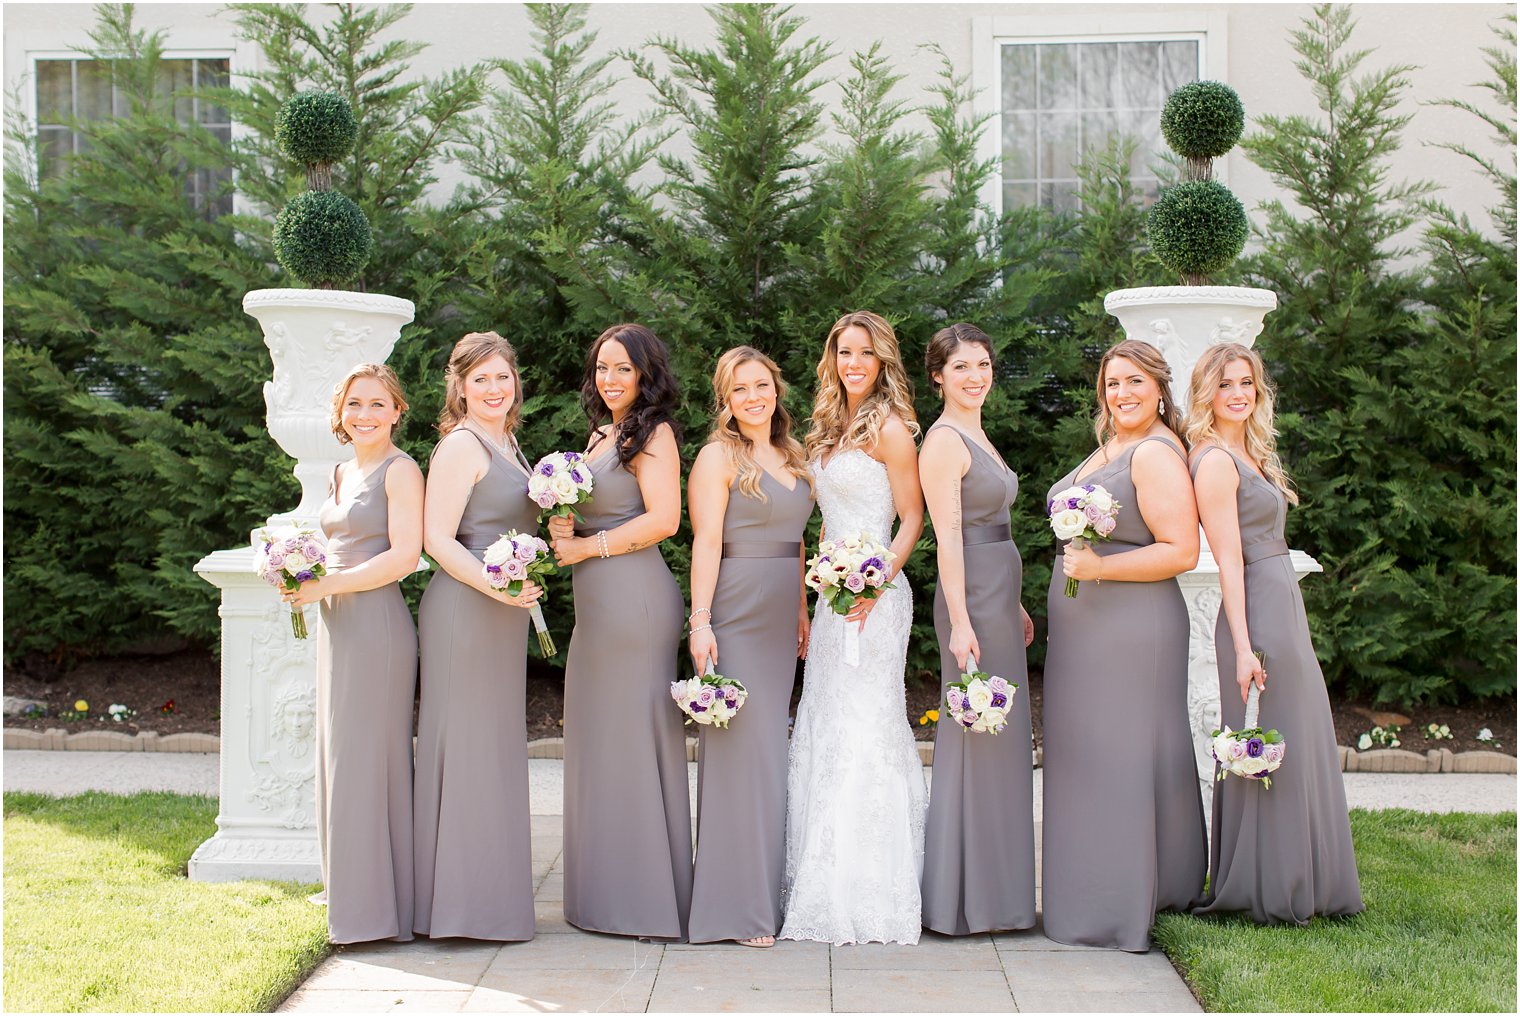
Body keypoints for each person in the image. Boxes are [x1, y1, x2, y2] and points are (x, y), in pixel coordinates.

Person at [1186, 342, 1364, 924]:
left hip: (1281, 598)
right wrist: (1241, 646)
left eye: (1247, 383)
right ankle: (1265, 883)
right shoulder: (1214, 461)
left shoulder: (1253, 453)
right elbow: (1228, 561)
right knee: (1267, 733)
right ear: (1205, 392)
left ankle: (1305, 874)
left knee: (1300, 732)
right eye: (1225, 384)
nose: (1238, 394)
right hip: (1256, 608)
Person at [1041, 338, 1207, 952]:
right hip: (1088, 631)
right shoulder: (1114, 445)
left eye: (1135, 381)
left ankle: (1119, 901)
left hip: (1132, 627)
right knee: (1091, 754)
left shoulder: (1157, 453)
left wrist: (1100, 571)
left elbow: (1182, 551)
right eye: (1113, 383)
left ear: (1160, 388)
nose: (1123, 393)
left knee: (1121, 755)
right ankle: (1111, 884)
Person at [779, 310, 927, 946]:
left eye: (865, 353)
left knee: (868, 724)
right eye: (844, 353)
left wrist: (877, 581)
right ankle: (818, 881)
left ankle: (875, 892)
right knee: (826, 722)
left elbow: (913, 519)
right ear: (832, 360)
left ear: (883, 360)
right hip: (830, 593)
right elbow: (819, 523)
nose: (854, 364)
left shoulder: (892, 430)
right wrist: (806, 601)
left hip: (876, 597)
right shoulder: (824, 428)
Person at [548, 323, 690, 940]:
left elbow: (665, 519)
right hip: (597, 602)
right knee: (599, 734)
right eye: (602, 368)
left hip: (634, 598)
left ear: (645, 374)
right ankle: (602, 893)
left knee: (632, 735)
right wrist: (561, 529)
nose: (610, 379)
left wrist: (588, 548)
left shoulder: (653, 434)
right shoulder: (602, 434)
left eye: (623, 369)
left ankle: (644, 900)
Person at [284, 363, 423, 944]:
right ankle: (348, 885)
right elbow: (337, 543)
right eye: (354, 405)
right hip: (336, 622)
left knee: (369, 760)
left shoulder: (402, 470)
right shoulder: (341, 471)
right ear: (341, 413)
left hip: (375, 627)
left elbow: (403, 557)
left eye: (377, 404)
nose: (365, 415)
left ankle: (375, 908)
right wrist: (298, 568)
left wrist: (325, 586)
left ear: (397, 411)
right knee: (338, 754)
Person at [685, 346, 815, 948]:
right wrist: (701, 621)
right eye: (740, 390)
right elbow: (706, 541)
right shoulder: (717, 456)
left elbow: (797, 545)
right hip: (734, 609)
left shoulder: (794, 454)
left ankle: (767, 894)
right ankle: (736, 909)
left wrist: (801, 609)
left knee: (769, 755)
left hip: (778, 617)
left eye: (761, 385)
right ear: (726, 400)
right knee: (739, 753)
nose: (753, 397)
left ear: (776, 390)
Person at [413, 331, 541, 941]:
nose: (494, 388)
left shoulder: (509, 442)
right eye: (480, 379)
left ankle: (490, 900)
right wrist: (496, 586)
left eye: (503, 376)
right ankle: (459, 908)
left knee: (490, 748)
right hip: (466, 609)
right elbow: (437, 540)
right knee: (465, 748)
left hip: (502, 610)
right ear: (459, 387)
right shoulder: (461, 446)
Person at [917, 324, 1037, 937]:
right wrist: (962, 621)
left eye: (984, 365)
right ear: (938, 375)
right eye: (962, 367)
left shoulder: (977, 431)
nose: (976, 377)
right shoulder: (942, 442)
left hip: (996, 594)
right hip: (970, 597)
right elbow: (949, 540)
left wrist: (1011, 604)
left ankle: (1002, 893)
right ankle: (966, 900)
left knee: (1002, 733)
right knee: (976, 731)